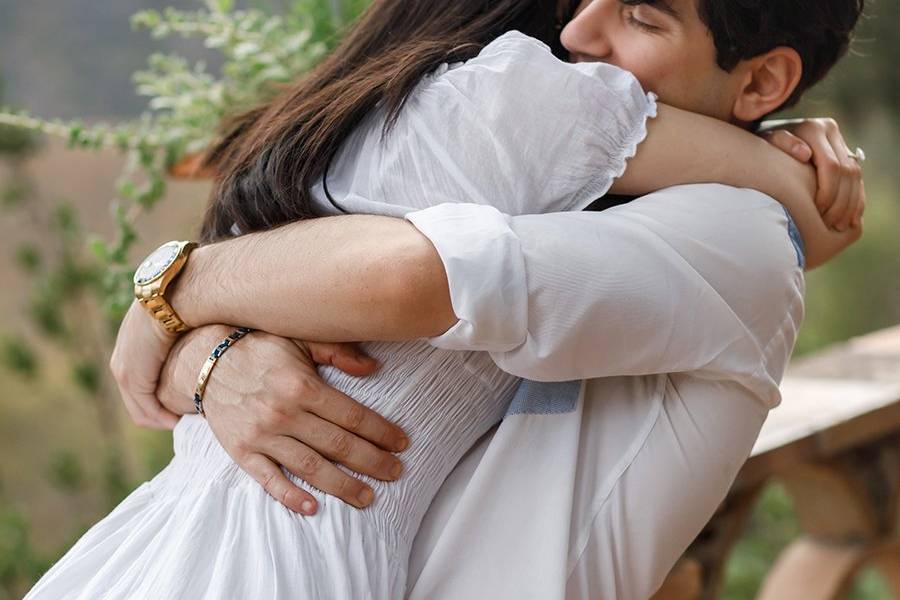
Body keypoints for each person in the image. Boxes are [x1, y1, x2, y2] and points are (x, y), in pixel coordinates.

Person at [31, 0, 865, 599]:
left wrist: (176, 296)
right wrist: (195, 330)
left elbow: (406, 280)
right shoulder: (532, 99)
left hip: (191, 538)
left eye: (642, 16)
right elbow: (817, 222)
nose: (579, 33)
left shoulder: (437, 99)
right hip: (283, 544)